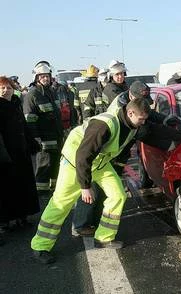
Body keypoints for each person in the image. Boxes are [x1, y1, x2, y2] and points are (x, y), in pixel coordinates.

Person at [30, 98, 150, 264]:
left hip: (99, 163)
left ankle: (104, 237)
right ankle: (40, 246)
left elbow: (159, 132)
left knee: (118, 195)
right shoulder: (104, 125)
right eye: (141, 119)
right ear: (130, 113)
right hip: (74, 163)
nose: (144, 123)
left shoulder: (132, 124)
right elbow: (83, 156)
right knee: (60, 203)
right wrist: (85, 186)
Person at [0, 76, 40, 238]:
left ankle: (22, 217)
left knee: (23, 186)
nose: (5, 90)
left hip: (20, 154)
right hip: (4, 155)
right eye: (2, 88)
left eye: (8, 87)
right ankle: (4, 222)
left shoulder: (16, 103)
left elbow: (24, 126)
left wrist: (32, 143)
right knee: (5, 190)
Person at [23, 61, 64, 197]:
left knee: (55, 167)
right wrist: (37, 140)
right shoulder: (32, 95)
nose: (45, 78)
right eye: (42, 76)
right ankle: (42, 195)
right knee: (43, 169)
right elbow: (30, 121)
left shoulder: (51, 92)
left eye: (47, 75)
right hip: (44, 142)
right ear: (36, 78)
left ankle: (54, 191)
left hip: (56, 138)